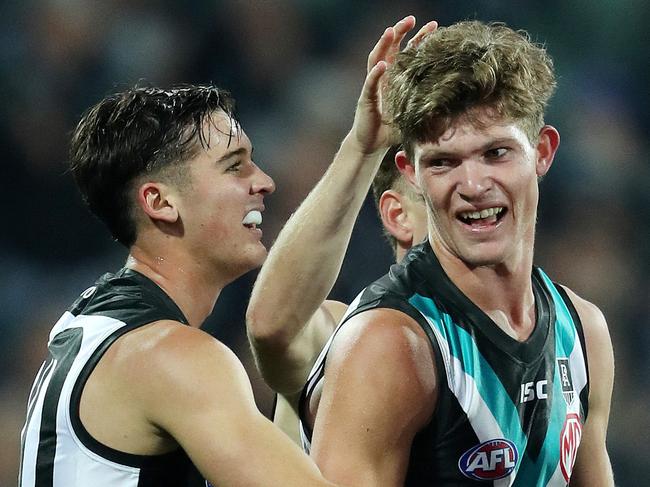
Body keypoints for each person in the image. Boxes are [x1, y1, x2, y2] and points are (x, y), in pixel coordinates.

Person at [302, 21, 614, 486]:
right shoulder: (390, 345)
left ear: (543, 152)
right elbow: (269, 328)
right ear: (410, 173)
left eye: (496, 153)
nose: (472, 186)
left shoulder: (583, 330)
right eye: (443, 162)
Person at [18, 83, 354, 487]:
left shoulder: (94, 320)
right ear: (160, 203)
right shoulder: (169, 357)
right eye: (235, 166)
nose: (264, 181)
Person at [246, 16, 434, 444]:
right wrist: (364, 147)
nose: (469, 191)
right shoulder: (344, 333)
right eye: (439, 172)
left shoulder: (561, 340)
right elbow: (275, 327)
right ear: (398, 215)